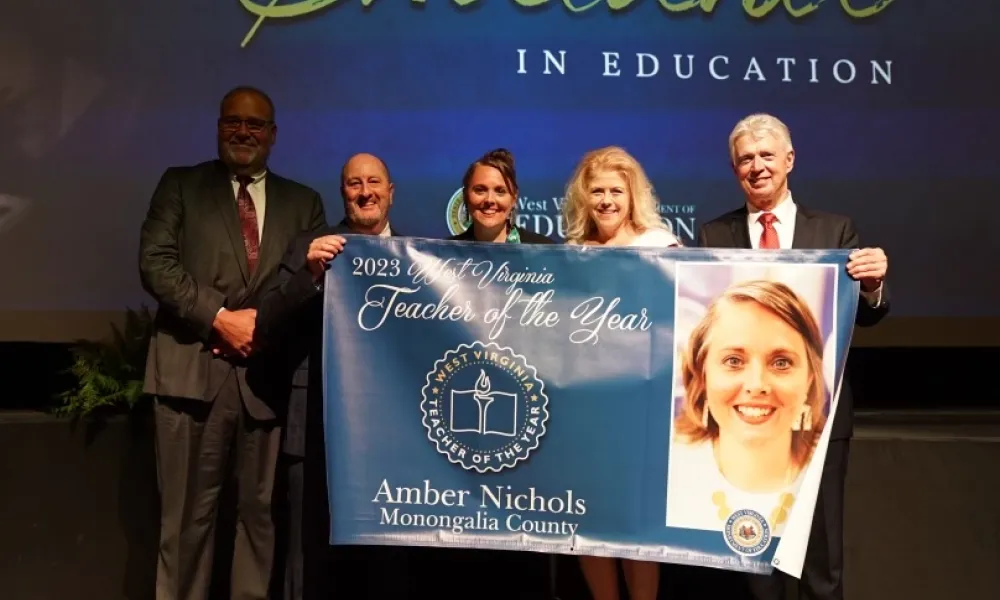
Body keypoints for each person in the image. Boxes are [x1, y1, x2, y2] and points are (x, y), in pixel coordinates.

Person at [138, 85, 326, 600]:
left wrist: (257, 329)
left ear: (273, 134)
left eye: (255, 124)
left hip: (263, 381)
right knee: (184, 526)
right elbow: (156, 263)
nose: (243, 132)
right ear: (219, 126)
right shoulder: (181, 185)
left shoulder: (303, 202)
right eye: (232, 122)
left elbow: (304, 286)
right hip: (188, 377)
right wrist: (219, 318)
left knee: (258, 522)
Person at [697, 113, 889, 600]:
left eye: (766, 156)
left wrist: (872, 285)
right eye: (745, 159)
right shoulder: (712, 237)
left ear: (789, 160)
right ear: (733, 168)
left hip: (818, 417)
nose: (757, 166)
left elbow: (863, 317)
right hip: (746, 417)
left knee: (821, 557)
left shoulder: (835, 231)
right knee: (753, 551)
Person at [254, 152, 409, 600]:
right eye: (355, 184)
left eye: (374, 182)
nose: (365, 192)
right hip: (317, 432)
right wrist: (310, 274)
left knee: (386, 564)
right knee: (310, 557)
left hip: (393, 440)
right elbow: (267, 320)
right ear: (343, 192)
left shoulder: (417, 255)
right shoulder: (312, 248)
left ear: (391, 191)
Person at [562, 145, 680, 600]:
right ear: (583, 196)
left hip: (641, 409)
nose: (607, 200)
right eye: (597, 191)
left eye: (616, 190)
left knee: (637, 526)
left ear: (633, 197)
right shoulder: (571, 254)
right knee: (588, 520)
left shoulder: (660, 246)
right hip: (585, 409)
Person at [667, 279, 829, 535]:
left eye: (781, 362)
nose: (757, 385)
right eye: (733, 360)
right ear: (702, 373)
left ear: (810, 378)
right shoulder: (667, 465)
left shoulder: (831, 468)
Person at [449, 148, 553, 244]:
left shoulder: (544, 252)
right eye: (480, 190)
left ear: (514, 198)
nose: (489, 200)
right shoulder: (444, 255)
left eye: (500, 191)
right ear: (466, 195)